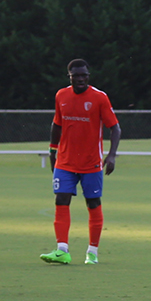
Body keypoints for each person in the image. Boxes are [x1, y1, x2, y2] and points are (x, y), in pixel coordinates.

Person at [39, 59, 121, 266]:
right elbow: (56, 125)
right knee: (61, 200)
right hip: (65, 161)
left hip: (91, 163)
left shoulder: (99, 97)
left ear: (88, 76)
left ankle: (92, 251)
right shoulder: (61, 96)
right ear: (70, 77)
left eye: (84, 75)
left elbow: (115, 128)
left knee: (92, 203)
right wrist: (52, 151)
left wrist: (111, 155)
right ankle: (62, 250)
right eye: (77, 75)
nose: (81, 79)